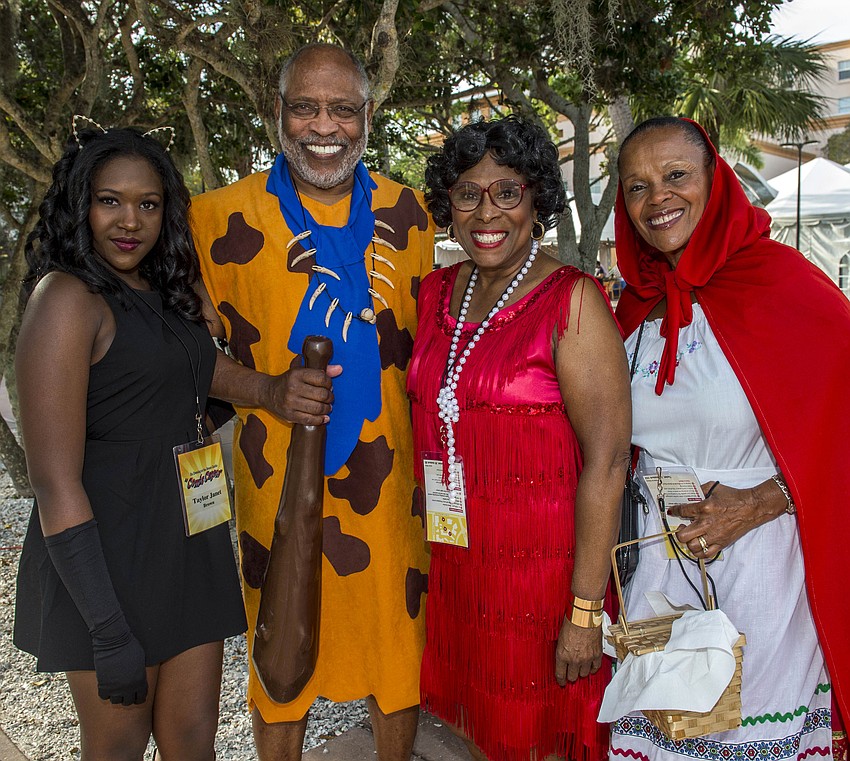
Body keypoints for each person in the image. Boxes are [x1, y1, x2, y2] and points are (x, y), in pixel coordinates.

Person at [190, 43, 434, 760]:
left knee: (397, 658)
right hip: (275, 496)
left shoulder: (409, 214)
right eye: (305, 107)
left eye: (341, 109)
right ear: (278, 114)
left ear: (366, 115)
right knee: (280, 663)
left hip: (390, 498)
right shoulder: (214, 221)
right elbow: (183, 358)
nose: (323, 125)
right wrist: (265, 388)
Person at [611, 116, 849, 761]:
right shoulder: (633, 308)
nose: (657, 197)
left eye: (676, 176)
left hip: (758, 557)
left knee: (747, 739)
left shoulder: (784, 285)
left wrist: (762, 501)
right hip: (655, 565)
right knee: (670, 734)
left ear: (716, 183)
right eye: (636, 186)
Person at [13, 125, 247, 760]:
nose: (130, 221)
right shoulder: (66, 297)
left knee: (195, 738)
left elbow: (194, 390)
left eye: (149, 204)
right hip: (106, 555)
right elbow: (55, 482)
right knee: (118, 745)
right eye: (109, 200)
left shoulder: (166, 291)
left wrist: (269, 389)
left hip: (189, 540)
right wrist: (106, 628)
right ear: (79, 204)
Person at [407, 115, 631, 761]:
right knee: (487, 734)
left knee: (547, 738)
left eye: (507, 191)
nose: (487, 211)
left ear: (537, 198)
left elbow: (609, 462)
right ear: (447, 202)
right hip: (462, 568)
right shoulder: (437, 292)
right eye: (467, 193)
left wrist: (585, 612)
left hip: (547, 582)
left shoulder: (574, 301)